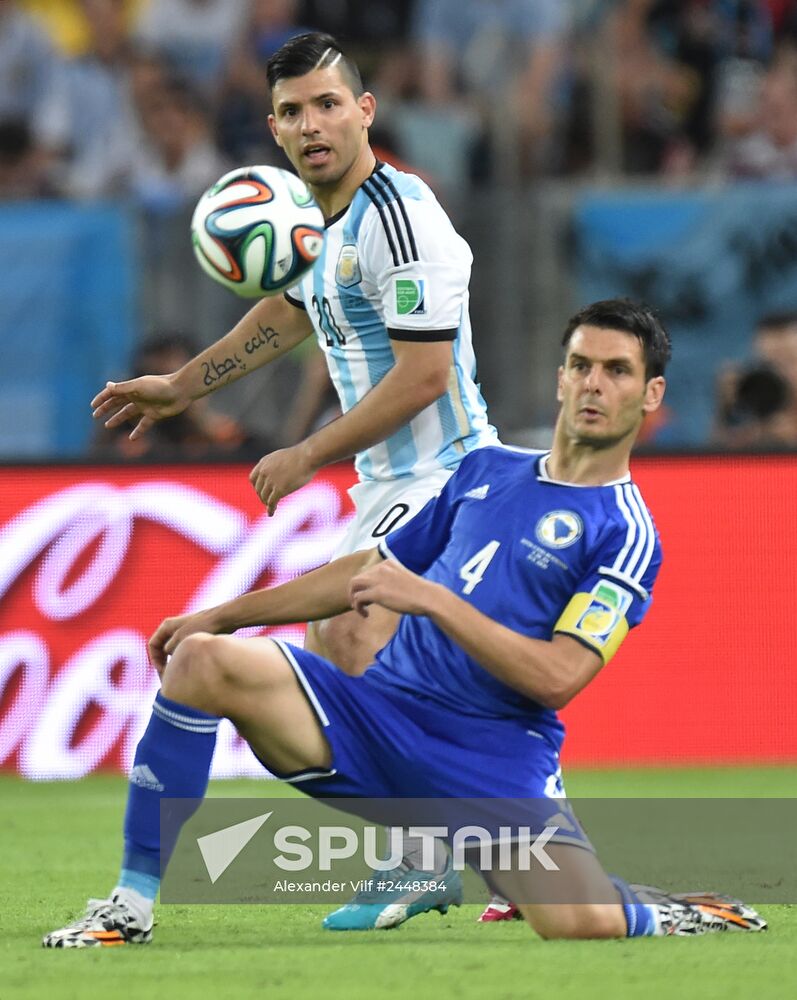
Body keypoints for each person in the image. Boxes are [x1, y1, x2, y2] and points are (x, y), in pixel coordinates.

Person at [44, 298, 767, 947]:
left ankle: (666, 911)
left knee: (574, 922)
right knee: (202, 659)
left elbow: (556, 678)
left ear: (650, 395)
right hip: (377, 718)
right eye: (580, 364)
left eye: (615, 371)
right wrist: (222, 613)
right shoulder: (485, 470)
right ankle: (127, 906)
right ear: (558, 377)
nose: (593, 384)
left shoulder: (624, 533)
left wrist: (433, 600)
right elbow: (363, 573)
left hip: (490, 757)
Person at [90, 31, 497, 677]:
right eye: (292, 112)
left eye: (327, 104)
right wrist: (183, 386)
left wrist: (306, 453)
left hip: (447, 476)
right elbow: (290, 311)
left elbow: (424, 376)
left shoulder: (401, 221)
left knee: (349, 633)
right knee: (342, 655)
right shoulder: (307, 218)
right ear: (273, 128)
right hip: (387, 481)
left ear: (364, 111)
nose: (312, 125)